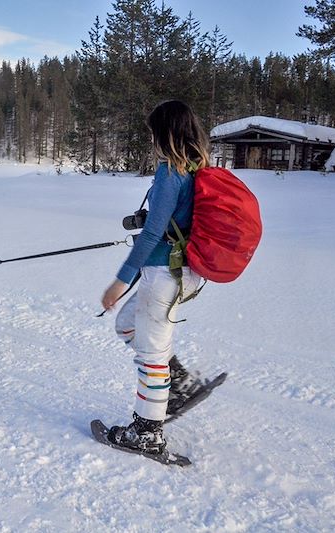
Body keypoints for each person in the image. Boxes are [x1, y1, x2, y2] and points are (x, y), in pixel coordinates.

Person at [100, 100, 209, 455]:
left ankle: (147, 432)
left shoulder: (170, 171)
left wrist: (120, 280)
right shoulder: (197, 168)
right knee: (127, 325)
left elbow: (152, 236)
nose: (151, 139)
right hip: (185, 272)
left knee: (151, 357)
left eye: (153, 132)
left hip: (164, 273)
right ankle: (176, 381)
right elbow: (173, 219)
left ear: (163, 132)